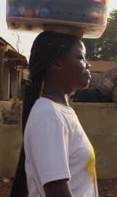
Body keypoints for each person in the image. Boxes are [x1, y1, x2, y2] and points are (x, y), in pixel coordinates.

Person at [11, 31, 97, 197]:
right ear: (57, 63)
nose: (88, 65)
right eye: (80, 57)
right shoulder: (49, 116)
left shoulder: (61, 112)